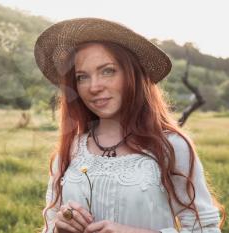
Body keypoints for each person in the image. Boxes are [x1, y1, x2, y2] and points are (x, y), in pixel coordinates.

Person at [34, 18, 226, 233]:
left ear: (132, 74)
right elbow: (49, 225)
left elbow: (205, 229)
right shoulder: (70, 149)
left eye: (107, 71)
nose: (94, 86)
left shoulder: (170, 146)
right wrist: (59, 228)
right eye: (82, 77)